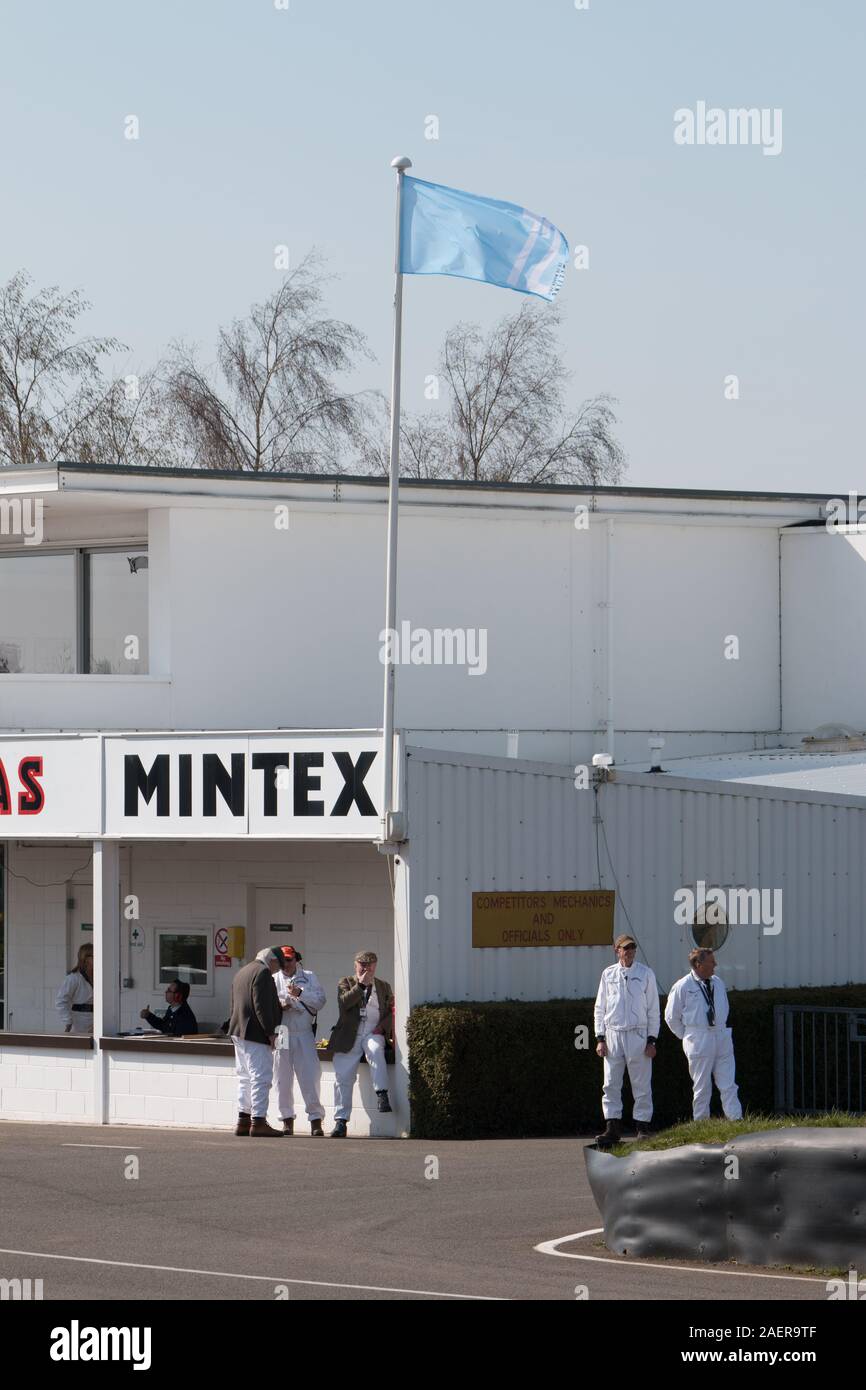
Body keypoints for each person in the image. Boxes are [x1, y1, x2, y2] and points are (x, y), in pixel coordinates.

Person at [594, 934, 659, 1147]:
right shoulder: (608, 974)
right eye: (625, 948)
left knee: (641, 1083)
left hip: (638, 1034)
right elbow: (600, 1007)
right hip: (613, 1034)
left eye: (632, 947)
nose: (629, 951)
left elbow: (653, 1010)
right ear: (617, 950)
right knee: (611, 1083)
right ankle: (612, 1128)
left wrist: (652, 1040)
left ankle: (643, 1127)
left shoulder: (645, 973)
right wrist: (600, 1038)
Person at [664, 947, 742, 1121]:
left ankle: (736, 1119)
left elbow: (725, 1009)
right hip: (698, 1037)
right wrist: (687, 1036)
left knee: (729, 1083)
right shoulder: (682, 986)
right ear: (698, 964)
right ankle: (701, 1123)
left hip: (720, 1034)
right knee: (701, 1086)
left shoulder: (718, 982)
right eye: (711, 962)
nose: (715, 964)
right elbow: (671, 1017)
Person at [329, 951, 394, 1138]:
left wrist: (382, 1027)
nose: (366, 969)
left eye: (370, 965)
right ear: (356, 965)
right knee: (343, 1077)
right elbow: (344, 1003)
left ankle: (381, 1093)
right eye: (362, 965)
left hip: (373, 1031)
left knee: (375, 1049)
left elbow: (391, 1010)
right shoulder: (346, 982)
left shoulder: (383, 986)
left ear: (375, 966)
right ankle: (341, 1121)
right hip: (350, 1034)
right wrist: (361, 986)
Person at [228, 947, 284, 1137]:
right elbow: (261, 1005)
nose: (278, 970)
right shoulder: (263, 972)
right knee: (261, 1076)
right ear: (272, 961)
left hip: (238, 1030)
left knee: (244, 1077)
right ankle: (258, 1121)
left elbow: (234, 1004)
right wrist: (271, 1032)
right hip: (255, 1033)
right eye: (278, 965)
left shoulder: (242, 971)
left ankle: (243, 1120)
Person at [273, 946, 326, 1137]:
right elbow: (267, 1006)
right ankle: (287, 1120)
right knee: (282, 1078)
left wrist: (300, 994)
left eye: (288, 960)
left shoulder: (310, 976)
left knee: (310, 1077)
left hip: (304, 1031)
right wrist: (282, 1005)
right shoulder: (274, 978)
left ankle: (315, 1120)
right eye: (282, 961)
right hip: (283, 1031)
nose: (285, 964)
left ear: (296, 959)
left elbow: (320, 1001)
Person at [57, 943, 94, 1034]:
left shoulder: (99, 978)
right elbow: (61, 1001)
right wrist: (68, 1021)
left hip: (97, 1021)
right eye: (95, 956)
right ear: (86, 959)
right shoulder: (73, 978)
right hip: (79, 1022)